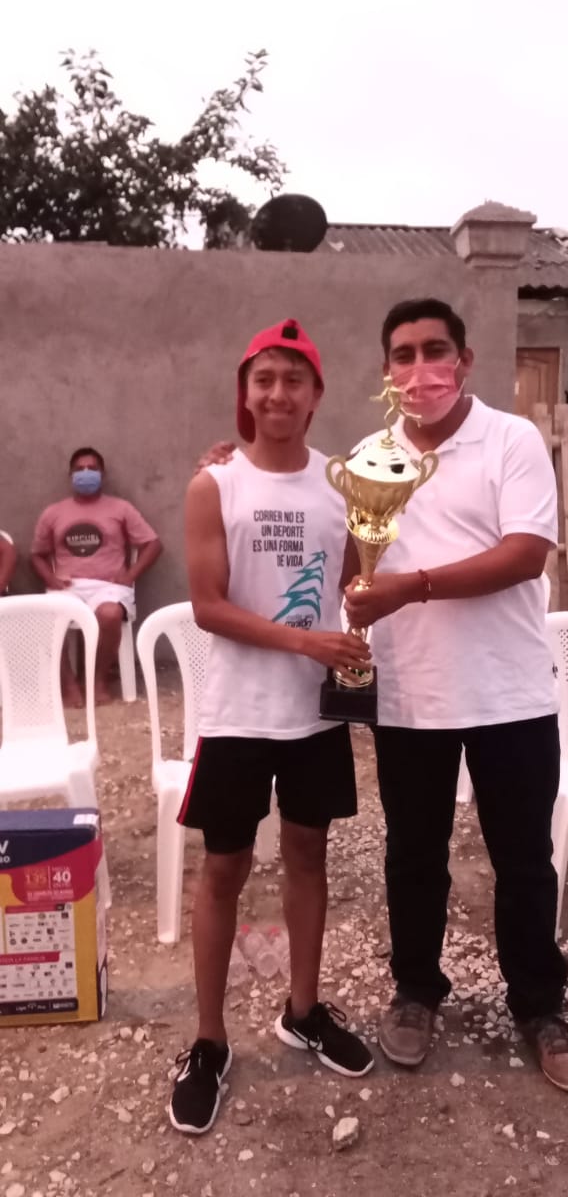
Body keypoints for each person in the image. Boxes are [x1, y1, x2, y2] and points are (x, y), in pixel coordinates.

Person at [341, 297, 568, 1093]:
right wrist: (232, 471)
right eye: (404, 354)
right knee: (413, 856)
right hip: (411, 693)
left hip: (509, 693)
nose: (421, 369)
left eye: (435, 350)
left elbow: (524, 555)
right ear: (387, 371)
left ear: (465, 360)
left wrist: (408, 587)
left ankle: (539, 1005)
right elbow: (347, 552)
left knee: (523, 860)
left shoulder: (511, 441)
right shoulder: (371, 456)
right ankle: (416, 991)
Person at [171, 318, 373, 1137]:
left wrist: (361, 613)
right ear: (246, 393)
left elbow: (355, 580)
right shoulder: (214, 485)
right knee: (223, 868)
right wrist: (307, 641)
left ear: (316, 395)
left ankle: (303, 1009)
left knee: (308, 855)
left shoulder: (345, 485)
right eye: (265, 379)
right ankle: (209, 1041)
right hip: (240, 713)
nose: (278, 393)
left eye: (294, 379)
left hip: (314, 713)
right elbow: (208, 607)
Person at [31, 447, 162, 704]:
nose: (86, 473)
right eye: (79, 469)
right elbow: (36, 555)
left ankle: (98, 679)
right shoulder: (54, 512)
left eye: (92, 469)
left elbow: (153, 545)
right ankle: (69, 684)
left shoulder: (121, 508)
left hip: (109, 587)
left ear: (102, 474)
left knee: (110, 615)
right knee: (52, 617)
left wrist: (130, 575)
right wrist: (51, 580)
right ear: (70, 475)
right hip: (67, 586)